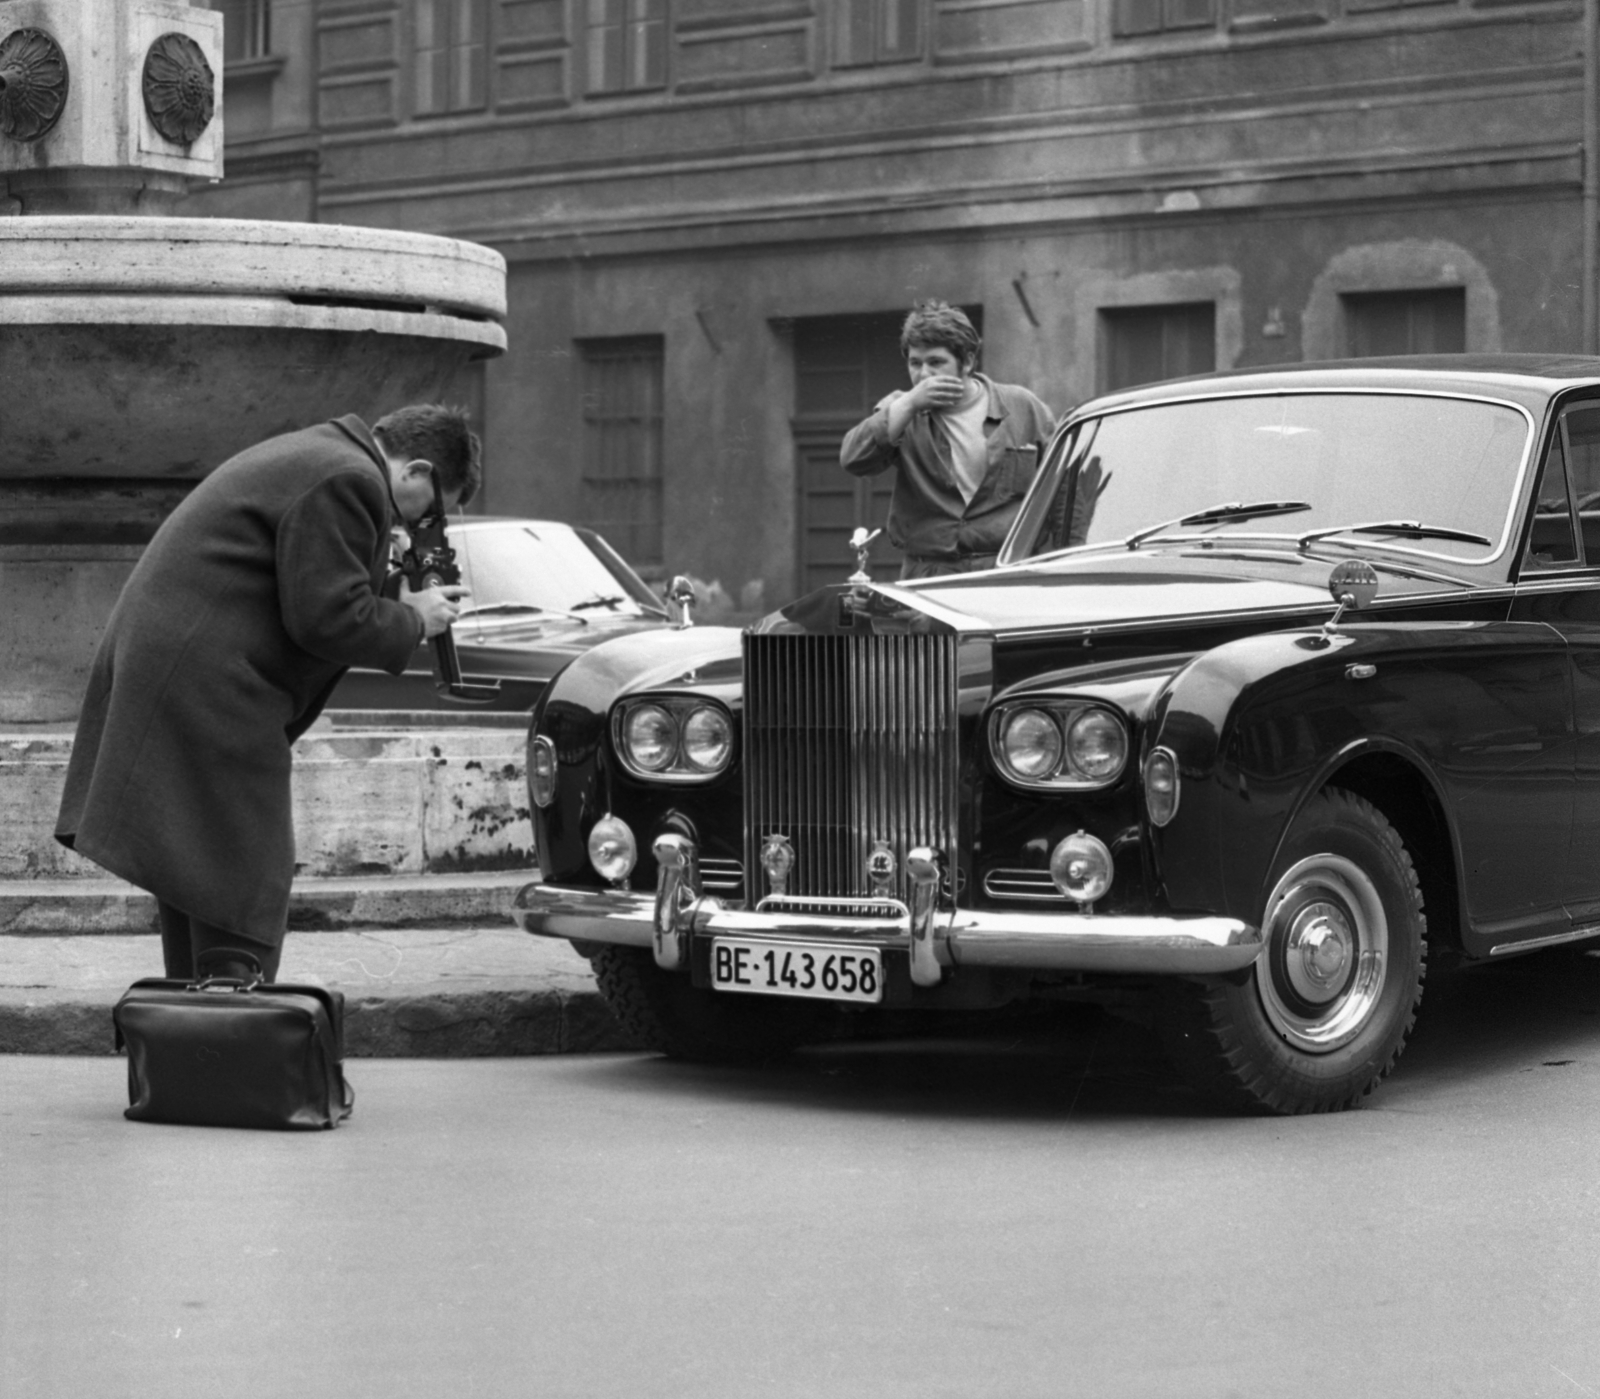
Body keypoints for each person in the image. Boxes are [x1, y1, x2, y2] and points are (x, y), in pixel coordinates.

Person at [54, 405, 480, 984]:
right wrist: (413, 619)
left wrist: (387, 586)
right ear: (418, 470)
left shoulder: (324, 455)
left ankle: (194, 1039)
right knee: (242, 875)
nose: (423, 525)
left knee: (199, 868)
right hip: (210, 683)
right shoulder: (351, 479)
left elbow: (301, 582)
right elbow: (326, 618)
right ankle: (232, 1045)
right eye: (431, 510)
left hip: (186, 671)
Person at [840, 300, 1057, 579]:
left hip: (1006, 570)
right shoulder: (901, 410)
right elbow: (853, 459)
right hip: (930, 573)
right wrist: (909, 405)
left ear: (966, 361)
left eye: (936, 362)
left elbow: (1064, 489)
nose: (924, 374)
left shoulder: (1021, 406)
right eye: (915, 363)